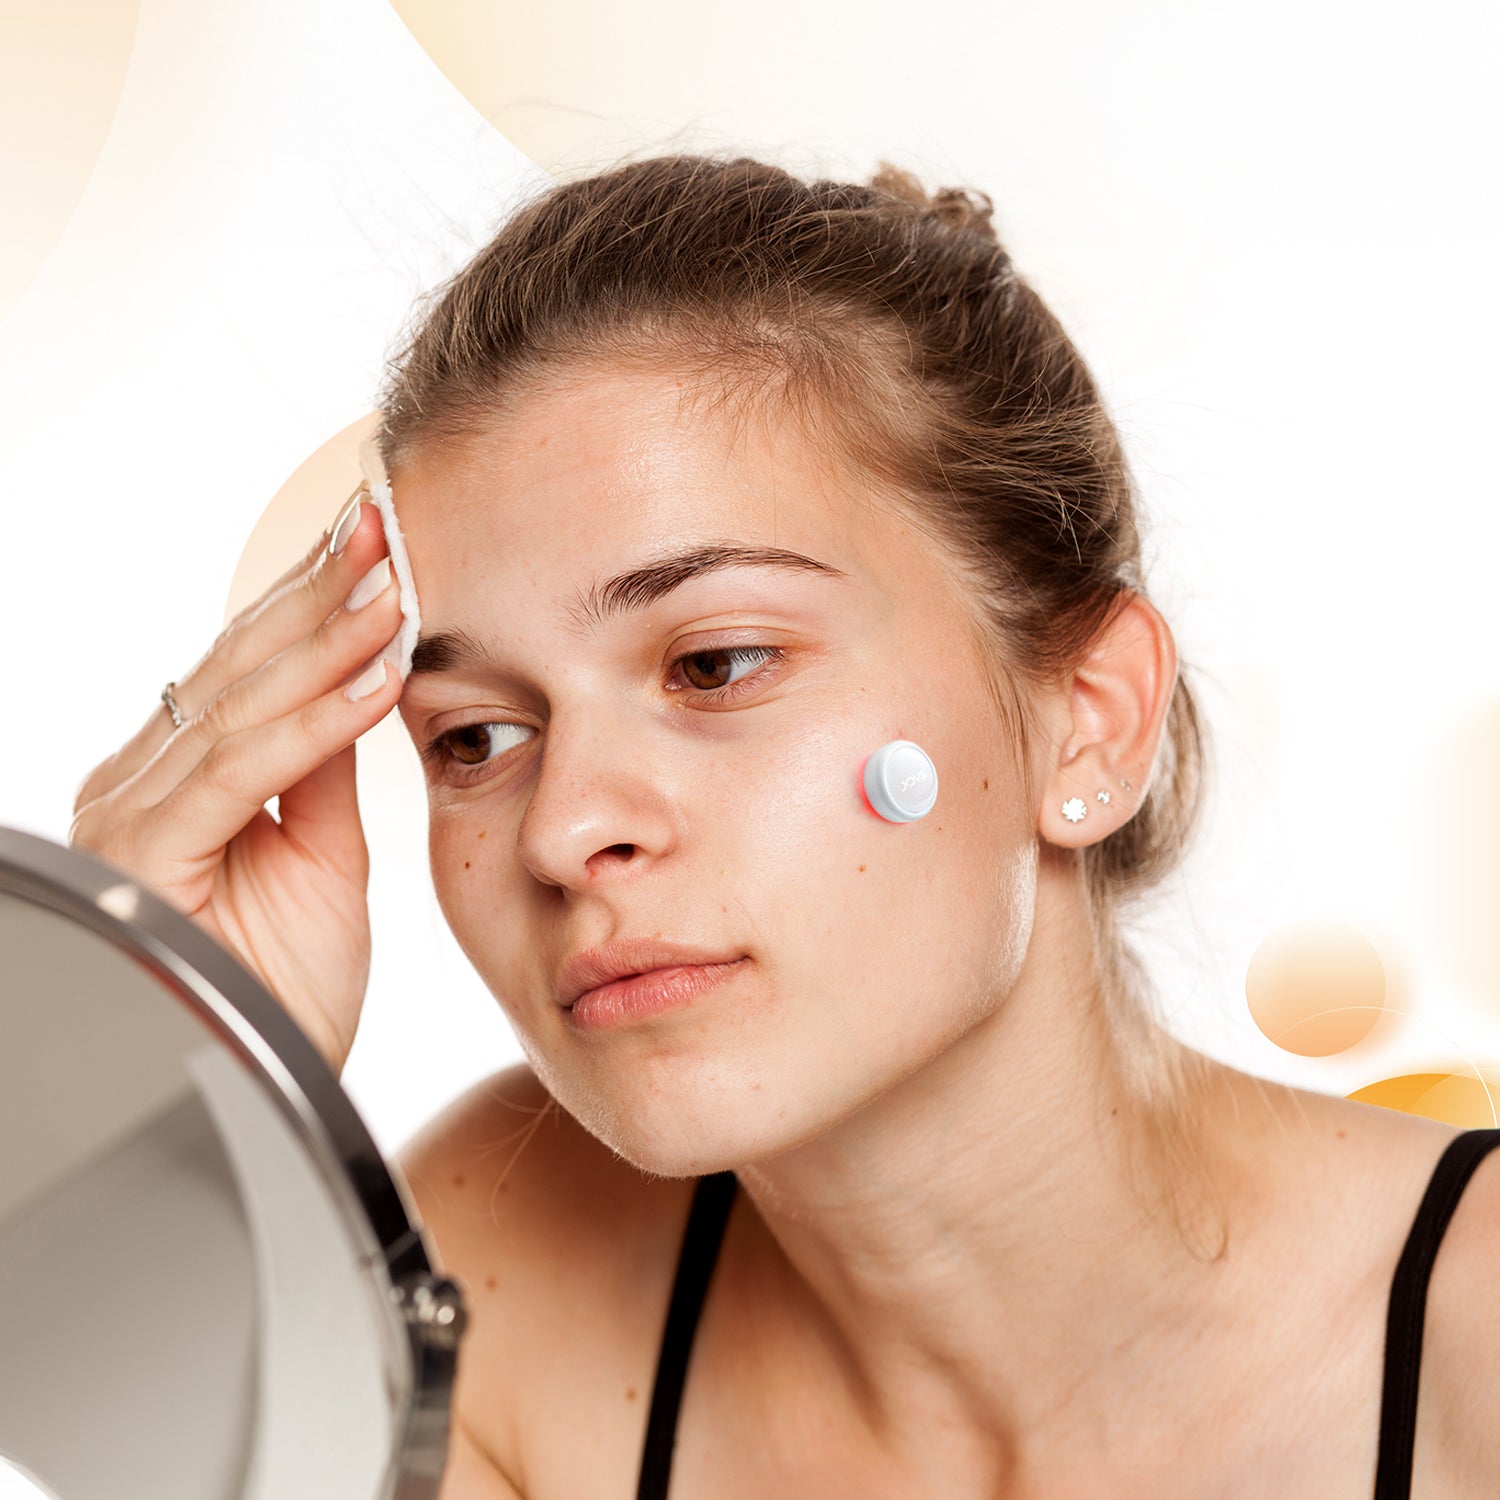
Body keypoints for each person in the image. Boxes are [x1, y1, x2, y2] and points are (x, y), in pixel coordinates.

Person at [70, 153, 1499, 1498]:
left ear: (1091, 718)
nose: (565, 829)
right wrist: (153, 1101)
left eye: (717, 663)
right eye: (479, 737)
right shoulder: (498, 1293)